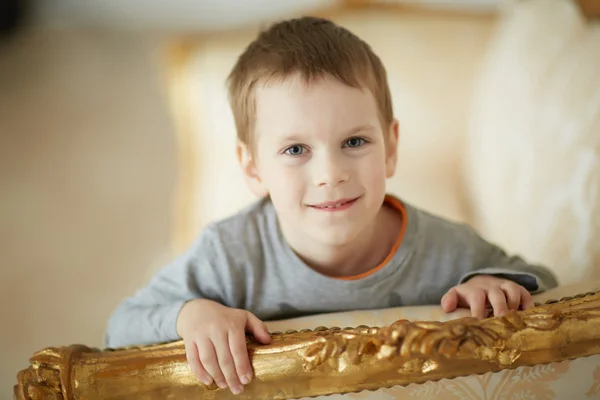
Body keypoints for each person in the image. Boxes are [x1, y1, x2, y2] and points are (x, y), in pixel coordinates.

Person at [104, 16, 558, 395]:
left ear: (391, 147)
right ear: (253, 168)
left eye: (354, 141)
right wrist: (190, 315)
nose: (330, 173)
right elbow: (119, 331)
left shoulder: (447, 250)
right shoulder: (228, 256)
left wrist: (493, 284)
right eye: (296, 150)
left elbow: (552, 289)